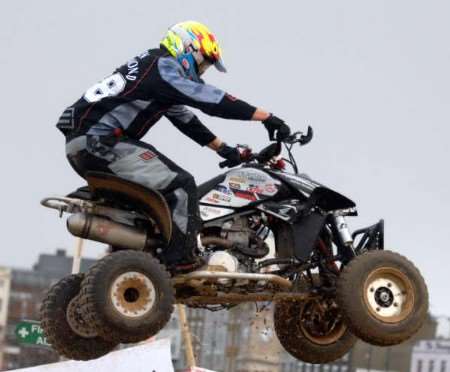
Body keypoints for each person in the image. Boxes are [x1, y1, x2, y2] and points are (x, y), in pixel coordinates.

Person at [56, 21, 290, 271]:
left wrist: (226, 150)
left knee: (153, 200)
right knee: (181, 186)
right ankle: (182, 261)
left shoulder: (152, 68)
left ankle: (139, 258)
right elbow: (212, 100)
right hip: (101, 142)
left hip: (82, 146)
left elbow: (185, 119)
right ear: (188, 49)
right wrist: (267, 117)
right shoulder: (165, 68)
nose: (202, 72)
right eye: (204, 63)